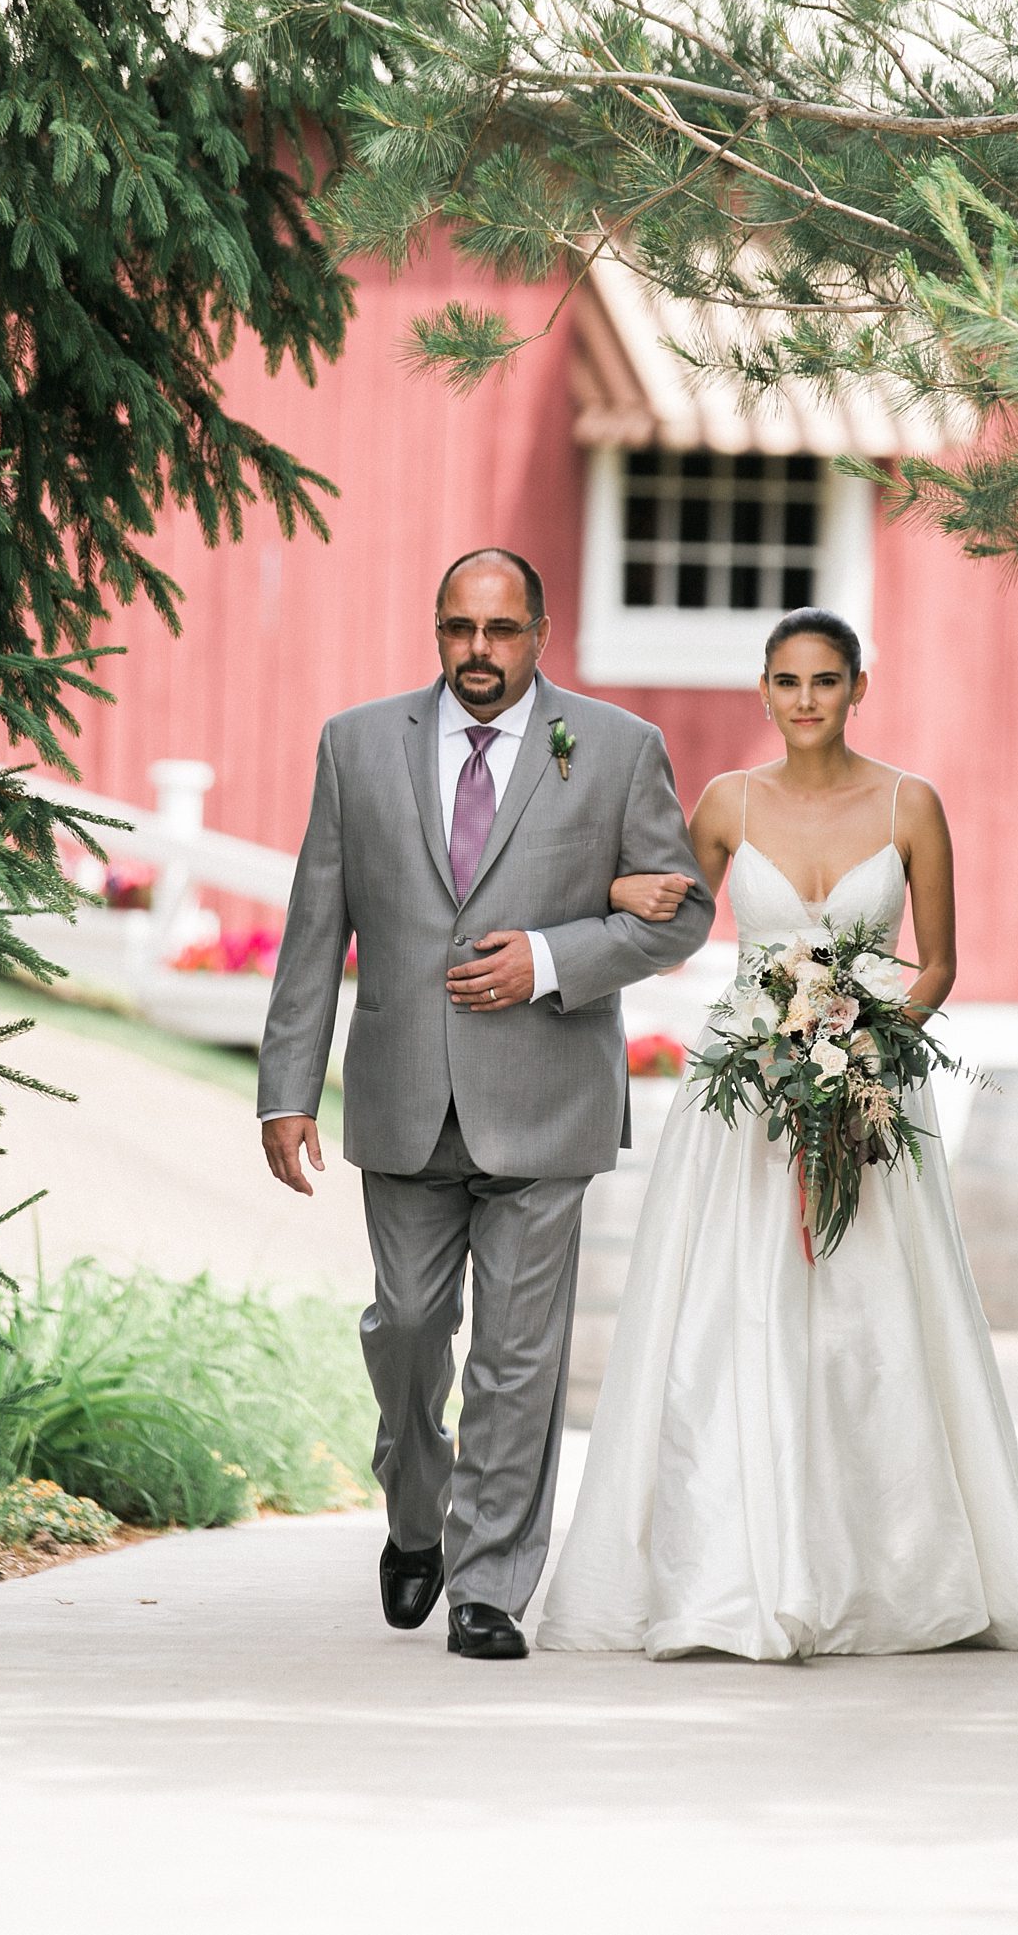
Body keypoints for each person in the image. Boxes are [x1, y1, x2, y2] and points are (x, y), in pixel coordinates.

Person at [537, 607, 1018, 1661]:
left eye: (825, 681)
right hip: (745, 1084)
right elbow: (672, 916)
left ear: (857, 687)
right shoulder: (729, 802)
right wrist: (606, 887)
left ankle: (894, 1567)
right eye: (786, 681)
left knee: (876, 1312)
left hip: (872, 1084)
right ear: (765, 690)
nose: (805, 701)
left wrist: (873, 1044)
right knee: (735, 1308)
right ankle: (736, 1562)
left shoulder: (910, 801)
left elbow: (939, 963)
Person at [257, 549, 714, 1661]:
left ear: (540, 631)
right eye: (459, 628)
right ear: (435, 628)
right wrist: (285, 1087)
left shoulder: (616, 749)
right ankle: (417, 1520)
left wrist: (552, 959)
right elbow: (319, 923)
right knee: (407, 1330)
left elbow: (681, 912)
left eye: (501, 631)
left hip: (545, 1093)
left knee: (520, 1355)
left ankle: (490, 1583)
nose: (478, 651)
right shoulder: (358, 744)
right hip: (403, 1091)